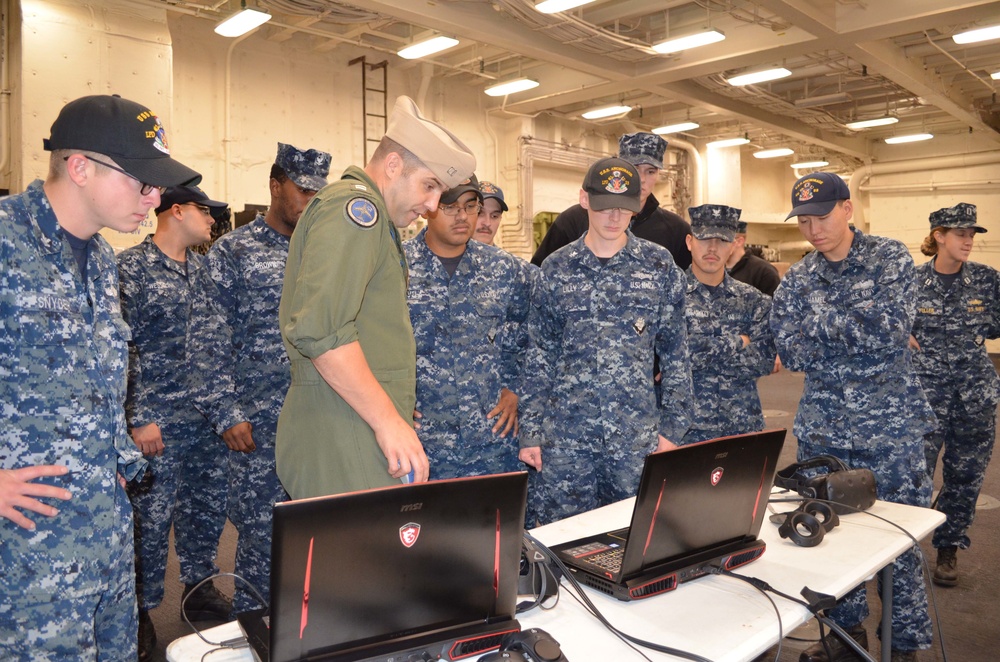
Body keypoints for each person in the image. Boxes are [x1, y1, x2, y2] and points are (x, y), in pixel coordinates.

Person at [0, 94, 199, 660]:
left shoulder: (104, 261)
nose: (156, 198)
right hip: (26, 558)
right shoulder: (6, 243)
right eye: (142, 183)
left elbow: (95, 385)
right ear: (81, 167)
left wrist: (113, 460)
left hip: (106, 534)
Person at [770, 172, 935, 662]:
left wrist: (819, 326)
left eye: (822, 217)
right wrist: (853, 327)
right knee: (828, 536)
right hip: (826, 430)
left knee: (899, 539)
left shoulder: (890, 257)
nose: (813, 229)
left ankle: (902, 644)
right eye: (803, 220)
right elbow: (790, 349)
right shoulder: (800, 276)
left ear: (847, 208)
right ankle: (844, 642)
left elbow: (890, 330)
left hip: (891, 430)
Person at [277, 96, 476, 499]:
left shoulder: (369, 216)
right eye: (429, 186)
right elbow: (322, 330)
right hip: (345, 424)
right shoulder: (357, 211)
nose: (432, 206)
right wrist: (388, 420)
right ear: (393, 166)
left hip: (350, 416)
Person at [189, 142, 330, 616]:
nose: (312, 200)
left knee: (323, 535)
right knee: (262, 542)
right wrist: (226, 412)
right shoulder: (234, 252)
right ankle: (256, 634)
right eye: (303, 190)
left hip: (323, 422)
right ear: (275, 186)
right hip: (260, 427)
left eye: (319, 192)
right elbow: (207, 339)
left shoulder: (328, 253)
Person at [519, 157, 692, 524]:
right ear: (584, 200)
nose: (614, 218)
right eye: (604, 207)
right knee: (561, 541)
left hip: (635, 440)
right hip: (565, 440)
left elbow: (676, 354)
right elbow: (540, 356)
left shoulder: (659, 266)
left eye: (625, 209)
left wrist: (672, 432)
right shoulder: (556, 268)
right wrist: (531, 431)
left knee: (633, 539)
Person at [118, 184, 231, 658]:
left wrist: (227, 411)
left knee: (205, 512)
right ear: (178, 210)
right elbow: (122, 348)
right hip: (156, 424)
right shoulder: (131, 268)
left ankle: (199, 588)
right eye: (207, 212)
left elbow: (222, 343)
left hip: (206, 420)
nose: (213, 221)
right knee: (148, 521)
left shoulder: (208, 270)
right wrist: (138, 417)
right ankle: (141, 610)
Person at [404, 174, 531, 479]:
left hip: (493, 443)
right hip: (423, 445)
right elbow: (369, 341)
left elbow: (537, 331)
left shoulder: (507, 269)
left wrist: (516, 387)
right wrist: (390, 401)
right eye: (450, 206)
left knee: (500, 526)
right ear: (428, 207)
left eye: (470, 205)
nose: (462, 216)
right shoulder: (397, 266)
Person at [910, 202, 999, 588]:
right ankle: (906, 550)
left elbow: (994, 328)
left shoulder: (987, 279)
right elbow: (889, 328)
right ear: (938, 236)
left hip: (974, 397)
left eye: (972, 234)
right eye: (960, 233)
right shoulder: (910, 282)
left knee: (965, 477)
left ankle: (949, 547)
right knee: (915, 476)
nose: (968, 241)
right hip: (924, 398)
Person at [680, 205, 775, 445]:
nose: (713, 248)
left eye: (722, 240)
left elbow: (764, 361)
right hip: (685, 431)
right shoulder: (669, 297)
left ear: (733, 245)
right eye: (704, 239)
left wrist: (699, 352)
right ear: (690, 242)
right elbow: (673, 357)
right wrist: (739, 341)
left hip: (742, 427)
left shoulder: (753, 300)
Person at [530, 132, 691, 269]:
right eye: (634, 169)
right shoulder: (572, 220)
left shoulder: (676, 230)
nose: (641, 179)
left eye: (650, 171)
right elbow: (539, 273)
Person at [726, 220, 781, 296]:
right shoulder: (715, 269)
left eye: (723, 240)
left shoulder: (764, 272)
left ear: (739, 241)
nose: (716, 246)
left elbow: (776, 305)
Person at [473, 180, 507, 246]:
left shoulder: (504, 256)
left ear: (500, 219)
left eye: (494, 216)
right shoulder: (449, 254)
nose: (487, 223)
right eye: (479, 213)